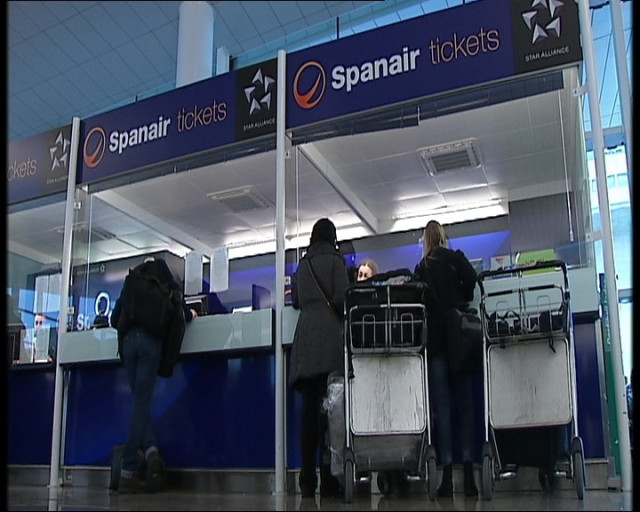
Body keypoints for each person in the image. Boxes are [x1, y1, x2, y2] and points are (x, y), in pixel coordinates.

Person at [110, 256, 198, 493]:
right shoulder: (166, 280)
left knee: (140, 404)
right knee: (141, 404)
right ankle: (128, 470)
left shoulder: (132, 279)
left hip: (128, 344)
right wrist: (192, 314)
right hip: (150, 344)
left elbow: (113, 318)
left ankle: (151, 453)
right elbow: (180, 315)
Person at [413, 220, 478, 497]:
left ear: (426, 240)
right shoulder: (457, 258)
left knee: (442, 408)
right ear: (443, 237)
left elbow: (418, 302)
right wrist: (460, 300)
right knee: (465, 406)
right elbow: (472, 282)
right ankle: (470, 477)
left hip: (437, 345)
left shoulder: (422, 268)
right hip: (459, 341)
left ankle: (447, 476)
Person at [288, 218, 350, 498]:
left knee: (308, 411)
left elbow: (297, 300)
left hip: (306, 339)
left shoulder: (302, 265)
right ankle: (328, 478)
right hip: (329, 338)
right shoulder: (337, 261)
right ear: (333, 237)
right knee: (331, 412)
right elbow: (342, 298)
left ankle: (306, 479)